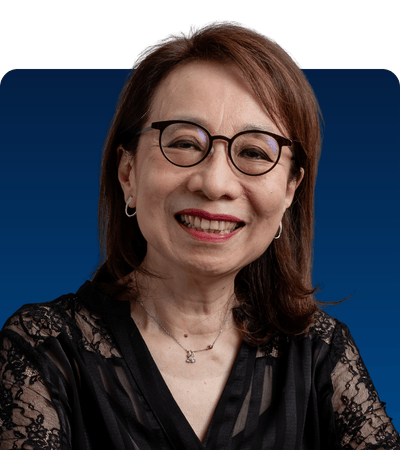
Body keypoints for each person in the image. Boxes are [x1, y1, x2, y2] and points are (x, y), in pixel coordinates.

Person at [0, 20, 399, 450]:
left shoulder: (320, 350)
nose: (214, 183)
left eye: (253, 152)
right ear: (128, 171)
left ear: (289, 190)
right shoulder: (44, 348)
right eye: (186, 143)